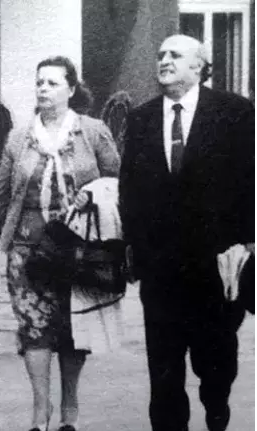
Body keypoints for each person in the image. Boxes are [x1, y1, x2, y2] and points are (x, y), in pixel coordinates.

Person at [0, 56, 121, 431]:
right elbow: (2, 194)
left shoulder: (93, 132)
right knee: (33, 327)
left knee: (73, 330)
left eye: (52, 83)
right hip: (27, 249)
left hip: (79, 248)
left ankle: (70, 406)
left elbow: (120, 181)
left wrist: (95, 194)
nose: (43, 88)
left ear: (71, 89)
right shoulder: (19, 137)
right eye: (39, 82)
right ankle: (41, 409)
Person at [119, 34, 254, 431]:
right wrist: (134, 248)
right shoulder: (141, 119)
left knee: (215, 360)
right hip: (160, 268)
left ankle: (216, 407)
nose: (164, 61)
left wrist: (248, 242)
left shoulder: (233, 112)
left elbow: (250, 178)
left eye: (175, 55)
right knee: (163, 367)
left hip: (217, 264)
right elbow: (130, 187)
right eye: (161, 54)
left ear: (199, 65)